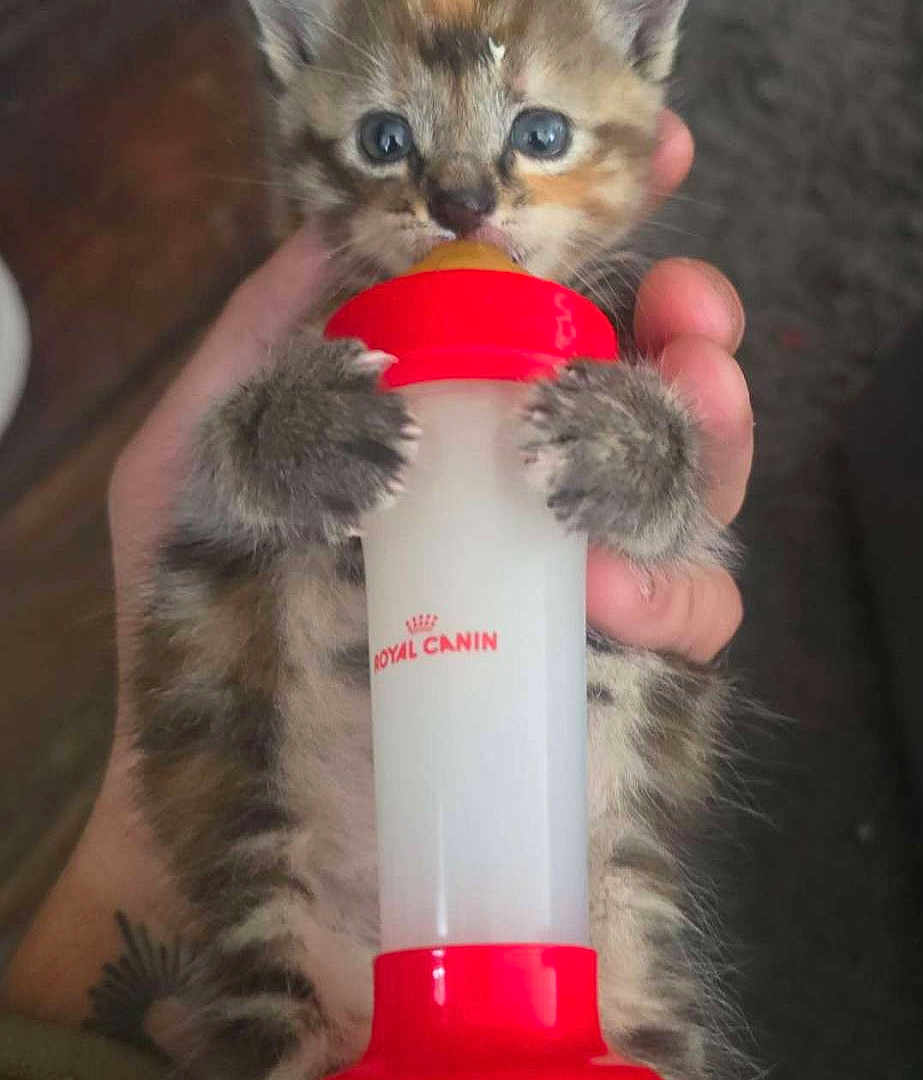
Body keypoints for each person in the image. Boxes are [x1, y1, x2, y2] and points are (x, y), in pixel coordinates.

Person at [0, 111, 754, 1075]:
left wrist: (651, 459)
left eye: (537, 130)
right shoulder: (320, 324)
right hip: (334, 941)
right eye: (391, 139)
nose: (460, 196)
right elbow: (212, 551)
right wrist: (269, 435)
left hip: (523, 965)